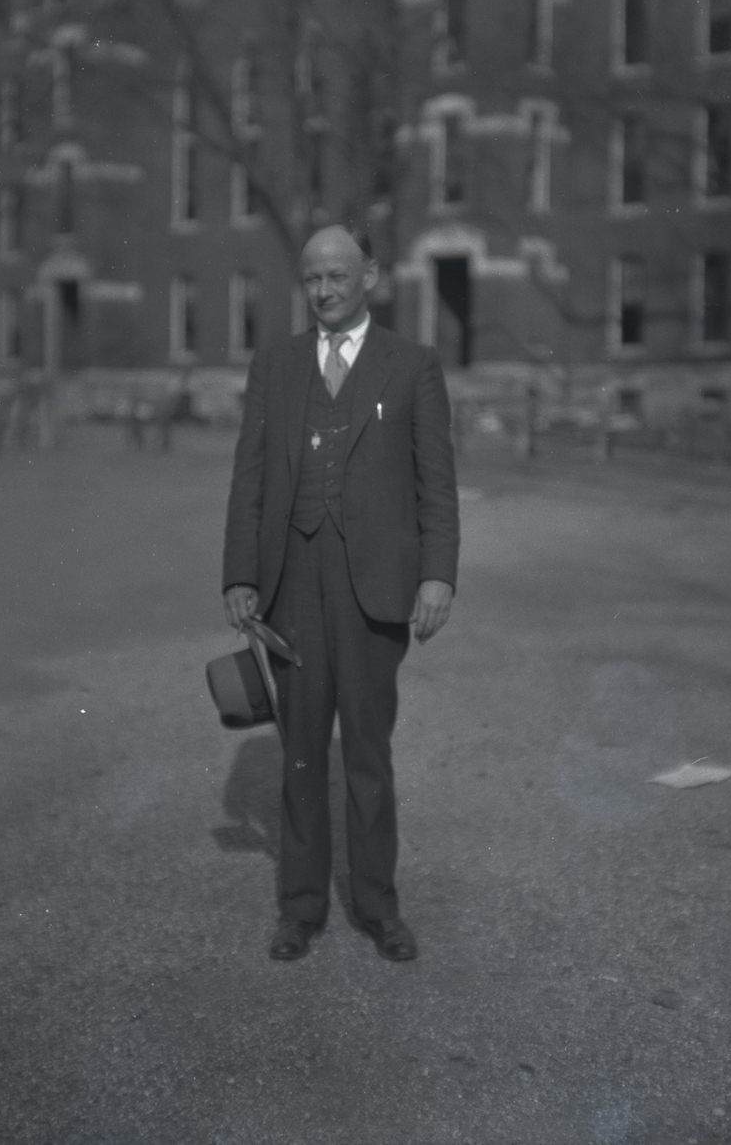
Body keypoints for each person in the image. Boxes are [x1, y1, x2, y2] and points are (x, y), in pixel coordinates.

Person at [222, 226, 460, 961]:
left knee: (366, 754)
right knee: (300, 754)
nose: (323, 291)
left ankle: (377, 906)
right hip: (293, 587)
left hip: (374, 592)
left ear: (371, 278)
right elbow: (251, 478)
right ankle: (300, 908)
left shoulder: (412, 366)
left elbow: (436, 485)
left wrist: (438, 574)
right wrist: (240, 575)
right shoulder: (277, 365)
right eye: (313, 279)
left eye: (337, 276)